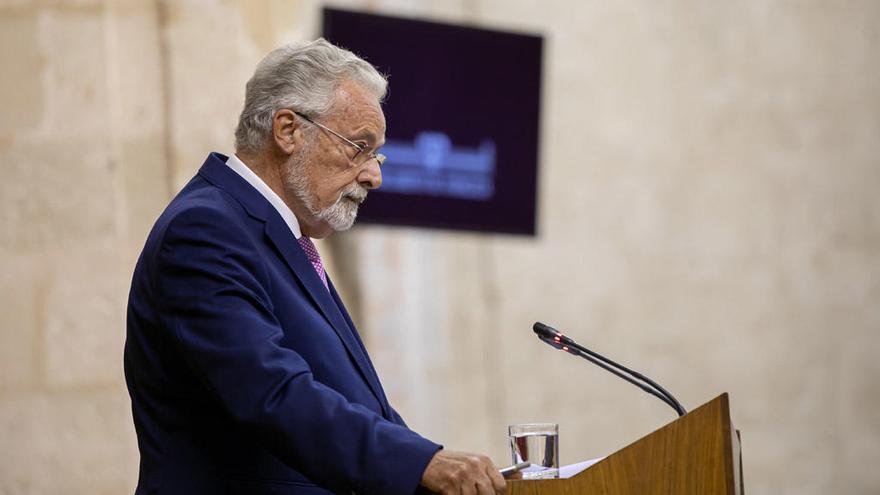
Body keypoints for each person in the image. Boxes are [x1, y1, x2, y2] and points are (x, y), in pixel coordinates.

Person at [124, 39, 507, 495]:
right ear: (288, 130)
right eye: (359, 148)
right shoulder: (205, 229)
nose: (374, 175)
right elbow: (271, 394)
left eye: (376, 154)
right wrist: (421, 463)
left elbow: (360, 406)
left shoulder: (281, 238)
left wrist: (436, 468)